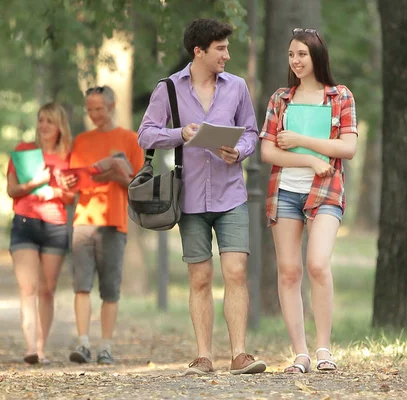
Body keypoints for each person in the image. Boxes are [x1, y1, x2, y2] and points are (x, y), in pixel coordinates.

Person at [138, 18, 267, 376]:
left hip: (231, 195)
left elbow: (252, 134)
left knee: (236, 271)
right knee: (200, 277)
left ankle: (239, 354)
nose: (227, 54)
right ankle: (204, 356)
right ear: (199, 51)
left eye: (227, 47)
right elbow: (145, 134)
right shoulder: (169, 89)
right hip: (191, 198)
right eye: (221, 48)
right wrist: (181, 133)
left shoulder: (237, 87)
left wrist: (238, 151)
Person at [259, 28, 358, 373]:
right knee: (289, 271)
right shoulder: (280, 99)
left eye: (302, 54)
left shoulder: (340, 97)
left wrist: (301, 140)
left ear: (316, 55)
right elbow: (268, 151)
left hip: (326, 191)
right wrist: (310, 160)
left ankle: (323, 349)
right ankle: (300, 353)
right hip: (285, 191)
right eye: (291, 55)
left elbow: (347, 148)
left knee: (317, 264)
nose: (296, 61)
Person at [65, 85, 144, 365]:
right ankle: (83, 343)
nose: (94, 114)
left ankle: (106, 346)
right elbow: (74, 183)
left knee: (110, 289)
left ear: (112, 106)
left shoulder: (130, 140)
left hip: (114, 222)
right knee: (81, 285)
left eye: (98, 109)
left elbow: (138, 184)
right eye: (90, 110)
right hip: (84, 221)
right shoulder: (82, 142)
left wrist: (115, 172)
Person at [6, 102, 74, 365]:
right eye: (41, 120)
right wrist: (36, 183)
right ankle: (31, 347)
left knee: (47, 290)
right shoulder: (24, 152)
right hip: (24, 223)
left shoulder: (68, 155)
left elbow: (71, 196)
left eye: (50, 121)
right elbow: (12, 190)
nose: (44, 126)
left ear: (60, 127)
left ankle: (41, 348)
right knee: (28, 287)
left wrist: (55, 192)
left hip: (55, 226)